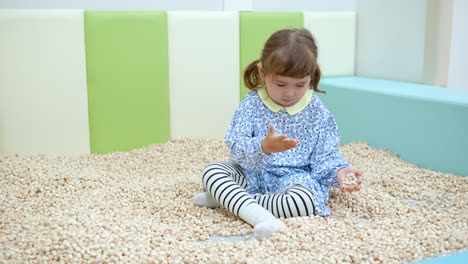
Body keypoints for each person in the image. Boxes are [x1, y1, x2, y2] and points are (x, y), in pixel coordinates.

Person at [194, 28, 363, 240]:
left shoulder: (316, 110)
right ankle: (257, 214)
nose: (289, 93)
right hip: (252, 174)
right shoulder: (252, 104)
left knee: (305, 202)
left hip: (295, 178)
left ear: (311, 77)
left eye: (300, 85)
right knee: (212, 171)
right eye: (281, 84)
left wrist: (339, 171)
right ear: (263, 73)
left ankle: (231, 201)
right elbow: (237, 146)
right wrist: (263, 147)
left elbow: (325, 155)